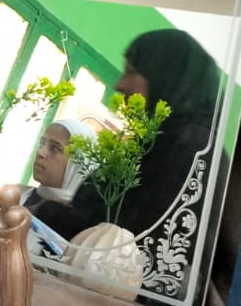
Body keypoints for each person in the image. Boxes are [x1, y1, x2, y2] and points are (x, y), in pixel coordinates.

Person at [38, 29, 222, 243]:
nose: (119, 85)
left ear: (165, 76)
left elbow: (122, 239)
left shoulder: (186, 148)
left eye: (131, 72)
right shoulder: (172, 141)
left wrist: (48, 214)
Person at [25, 117, 93, 231]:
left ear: (77, 165)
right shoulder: (19, 194)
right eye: (42, 143)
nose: (40, 152)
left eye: (55, 148)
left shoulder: (75, 230)